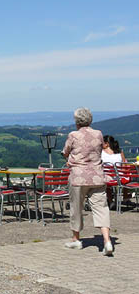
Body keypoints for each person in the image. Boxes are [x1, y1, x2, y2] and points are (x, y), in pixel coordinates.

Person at [62, 107, 113, 256]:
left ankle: (76, 239)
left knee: (76, 208)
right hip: (97, 176)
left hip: (78, 177)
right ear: (90, 120)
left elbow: (66, 151)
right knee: (101, 208)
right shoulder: (98, 134)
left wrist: (70, 159)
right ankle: (107, 241)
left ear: (76, 121)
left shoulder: (73, 135)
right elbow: (98, 150)